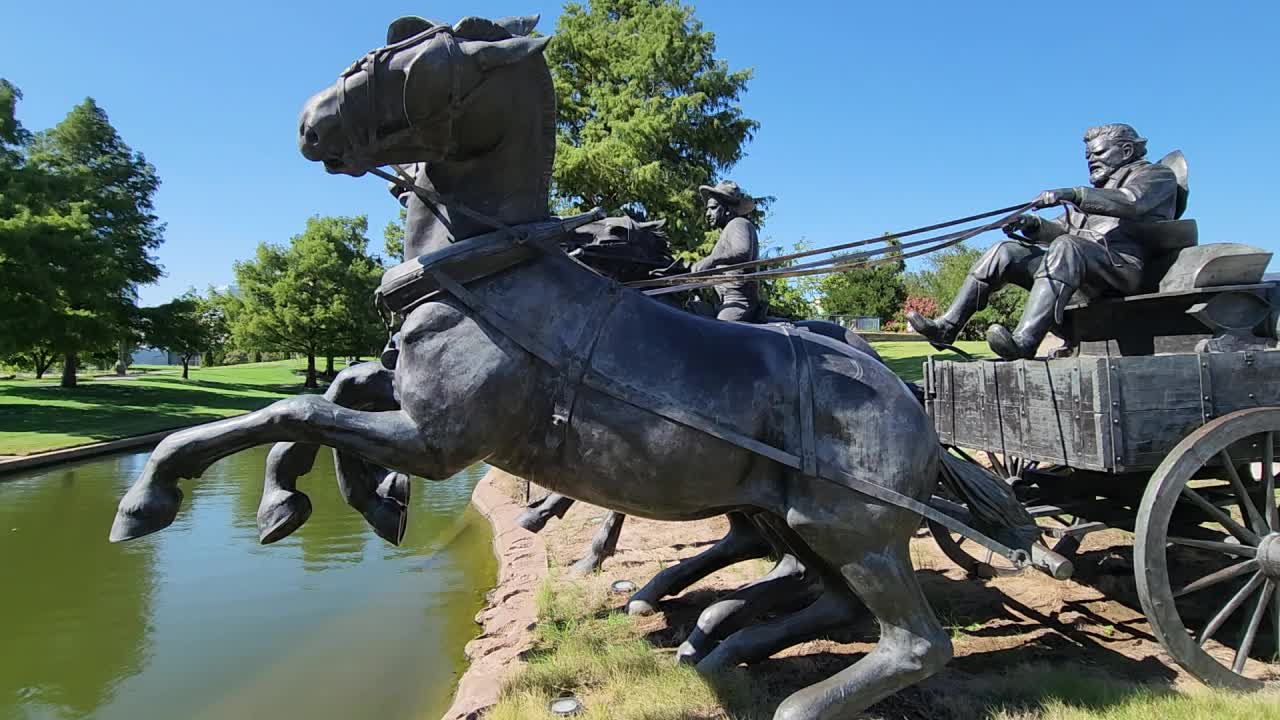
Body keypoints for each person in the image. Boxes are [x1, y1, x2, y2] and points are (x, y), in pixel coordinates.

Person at [907, 123, 1180, 359]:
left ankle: (1026, 342)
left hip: (1123, 268)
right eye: (1088, 156)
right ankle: (948, 327)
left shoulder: (1155, 176)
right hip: (1083, 270)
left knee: (1068, 247)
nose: (1090, 160)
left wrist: (1074, 194)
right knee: (1006, 252)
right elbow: (1064, 230)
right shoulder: (1097, 195)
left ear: (1127, 151)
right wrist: (1033, 225)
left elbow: (1131, 202)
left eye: (1098, 153)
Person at [693, 180, 762, 322]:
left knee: (717, 336)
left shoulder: (738, 224)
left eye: (713, 208)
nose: (707, 213)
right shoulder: (727, 230)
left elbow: (743, 252)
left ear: (728, 208)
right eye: (707, 209)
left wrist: (711, 260)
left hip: (738, 302)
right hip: (724, 302)